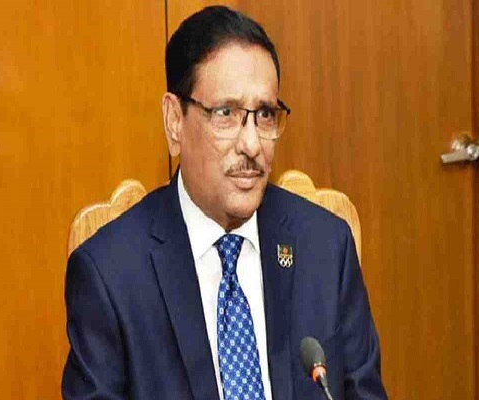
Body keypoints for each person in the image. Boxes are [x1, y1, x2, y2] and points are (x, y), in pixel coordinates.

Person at [62, 5, 387, 400]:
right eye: (226, 113)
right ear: (174, 121)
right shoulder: (110, 274)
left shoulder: (326, 247)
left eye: (264, 114)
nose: (251, 144)